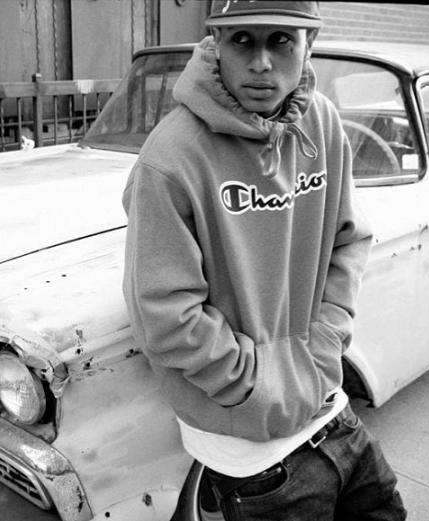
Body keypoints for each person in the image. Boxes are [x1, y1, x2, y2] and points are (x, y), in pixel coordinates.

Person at [122, 1, 406, 520]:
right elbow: (165, 314)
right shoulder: (171, 159)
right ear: (215, 41)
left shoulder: (321, 122)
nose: (260, 62)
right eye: (243, 40)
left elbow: (349, 240)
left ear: (308, 45)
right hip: (247, 452)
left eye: (280, 40)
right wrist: (260, 386)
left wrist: (324, 344)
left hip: (331, 410)